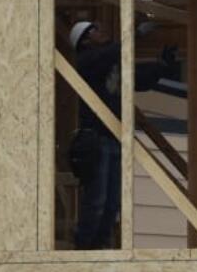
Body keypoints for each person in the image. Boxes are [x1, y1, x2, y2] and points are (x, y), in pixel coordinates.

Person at [68, 20, 179, 249]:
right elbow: (110, 55)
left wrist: (162, 65)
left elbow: (138, 78)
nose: (102, 30)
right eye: (95, 29)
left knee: (111, 205)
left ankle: (102, 251)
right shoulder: (86, 62)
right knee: (96, 203)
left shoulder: (112, 63)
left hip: (115, 139)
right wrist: (135, 36)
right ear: (85, 40)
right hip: (96, 141)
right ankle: (83, 250)